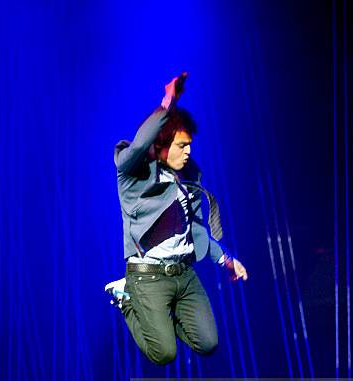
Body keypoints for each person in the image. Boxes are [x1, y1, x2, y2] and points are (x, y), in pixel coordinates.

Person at [105, 72, 248, 365]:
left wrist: (227, 259)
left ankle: (157, 320)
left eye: (189, 145)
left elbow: (196, 232)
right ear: (162, 145)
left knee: (208, 343)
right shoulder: (133, 176)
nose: (189, 151)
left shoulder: (185, 182)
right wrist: (168, 101)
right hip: (148, 277)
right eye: (182, 145)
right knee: (164, 353)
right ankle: (127, 299)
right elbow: (141, 144)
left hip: (183, 274)